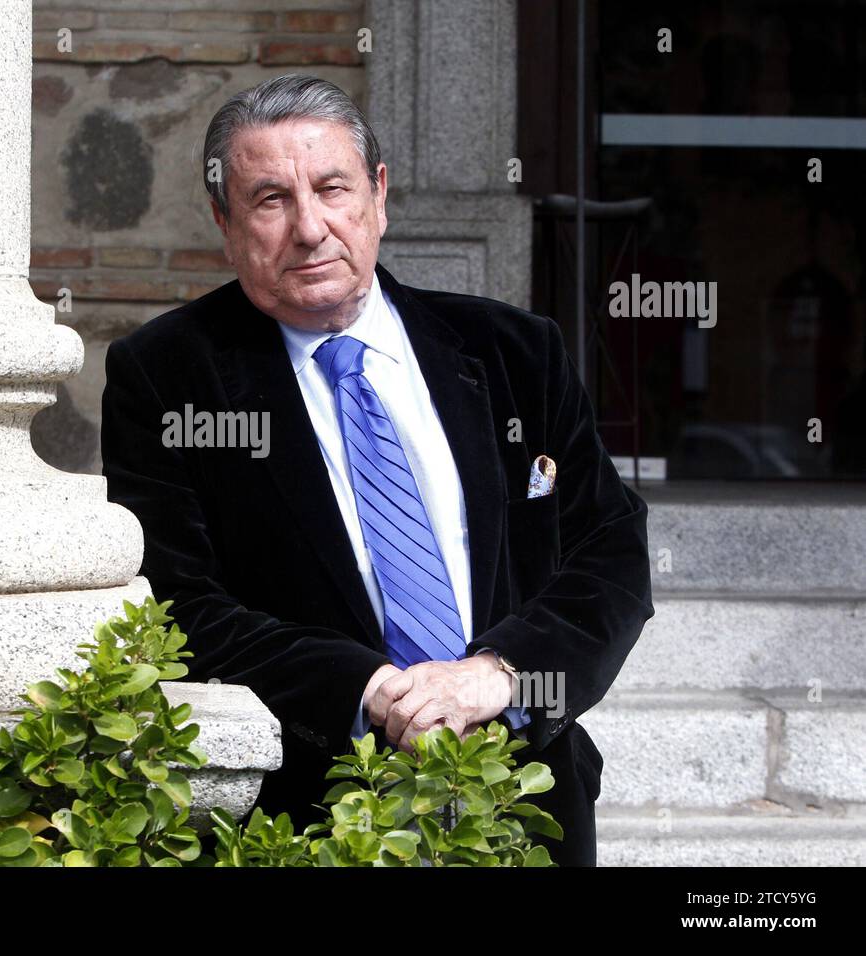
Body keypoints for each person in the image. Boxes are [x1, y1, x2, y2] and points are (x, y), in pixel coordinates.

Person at [99, 73, 654, 866]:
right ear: (225, 220)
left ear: (378, 195)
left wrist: (502, 674)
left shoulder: (514, 352)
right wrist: (368, 690)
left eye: (332, 189)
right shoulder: (168, 375)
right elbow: (178, 599)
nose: (310, 228)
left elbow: (611, 553)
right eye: (269, 200)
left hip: (524, 798)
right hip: (307, 810)